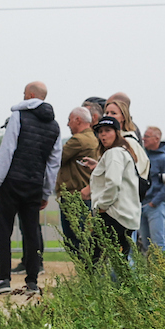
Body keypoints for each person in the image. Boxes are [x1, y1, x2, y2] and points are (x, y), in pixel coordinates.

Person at [0, 81, 62, 295]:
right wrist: (46, 191)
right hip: (34, 185)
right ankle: (32, 282)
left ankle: (3, 279)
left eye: (24, 93)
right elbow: (53, 163)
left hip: (12, 182)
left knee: (4, 231)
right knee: (31, 233)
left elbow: (7, 151)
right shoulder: (55, 126)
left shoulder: (18, 116)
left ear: (30, 95)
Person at [82, 116, 141, 260]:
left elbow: (113, 183)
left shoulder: (113, 153)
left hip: (114, 215)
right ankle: (127, 284)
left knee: (92, 261)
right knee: (120, 262)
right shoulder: (123, 151)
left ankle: (92, 283)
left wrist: (101, 206)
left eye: (107, 130)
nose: (103, 134)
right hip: (126, 216)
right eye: (100, 131)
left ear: (117, 132)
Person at [57, 106, 98, 253]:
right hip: (85, 193)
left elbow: (57, 158)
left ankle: (86, 273)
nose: (68, 124)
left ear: (77, 120)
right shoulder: (92, 137)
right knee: (83, 238)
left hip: (74, 194)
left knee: (74, 240)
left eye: (69, 120)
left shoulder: (78, 140)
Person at [138, 126, 165, 254]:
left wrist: (154, 202)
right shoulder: (143, 157)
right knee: (147, 245)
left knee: (158, 243)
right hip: (142, 205)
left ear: (156, 139)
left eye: (147, 136)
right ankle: (150, 272)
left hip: (155, 207)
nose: (143, 139)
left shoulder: (164, 160)